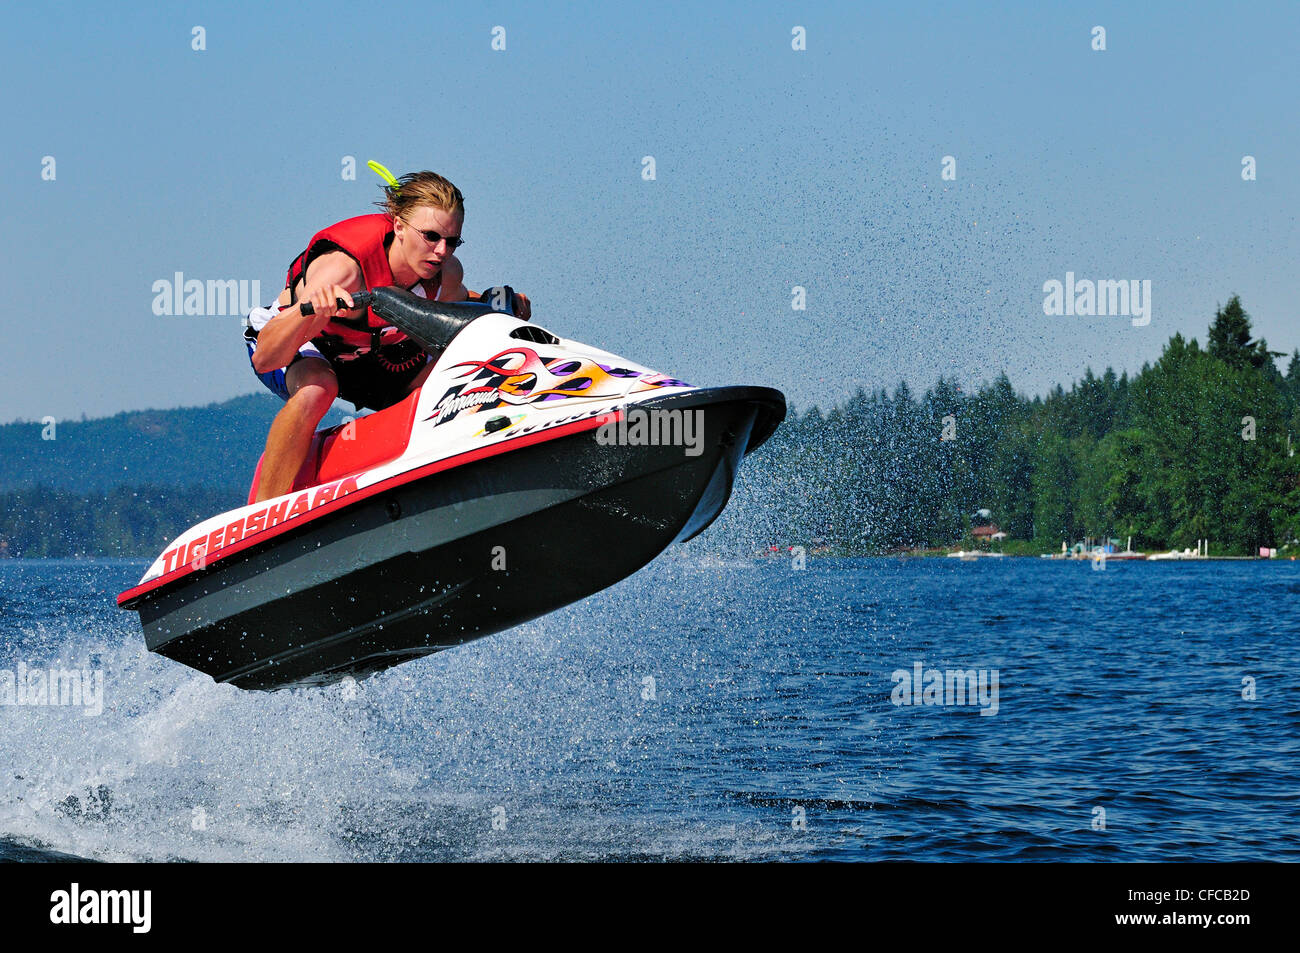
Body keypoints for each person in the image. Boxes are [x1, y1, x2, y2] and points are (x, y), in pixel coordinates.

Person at [244, 170, 529, 502]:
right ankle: (263, 513)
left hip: (371, 353)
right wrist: (308, 309)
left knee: (455, 380)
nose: (441, 252)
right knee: (317, 390)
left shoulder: (446, 276)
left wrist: (505, 304)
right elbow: (266, 359)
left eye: (452, 241)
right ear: (399, 228)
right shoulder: (344, 271)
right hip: (305, 344)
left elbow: (461, 303)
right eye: (431, 236)